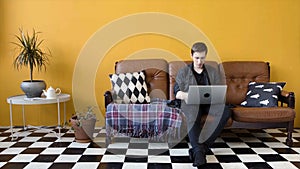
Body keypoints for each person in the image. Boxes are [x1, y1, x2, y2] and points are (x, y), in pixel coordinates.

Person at [174, 42, 232, 168]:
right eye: (197, 58)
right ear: (191, 55)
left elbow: (218, 91)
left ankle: (199, 149)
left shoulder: (212, 71)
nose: (200, 61)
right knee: (193, 113)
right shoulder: (184, 71)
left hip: (208, 103)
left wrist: (217, 97)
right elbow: (177, 93)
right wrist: (187, 95)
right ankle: (200, 152)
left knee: (226, 111)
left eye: (202, 58)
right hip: (191, 103)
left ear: (206, 56)